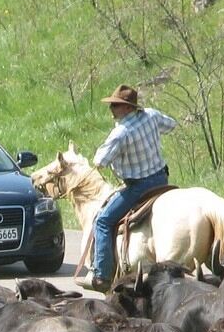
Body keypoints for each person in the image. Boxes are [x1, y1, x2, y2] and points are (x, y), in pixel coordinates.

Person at [76, 84, 177, 293]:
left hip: (138, 187)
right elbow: (171, 125)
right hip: (162, 180)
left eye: (116, 105)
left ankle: (102, 274)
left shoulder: (120, 133)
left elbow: (99, 161)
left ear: (128, 108)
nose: (111, 109)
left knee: (103, 220)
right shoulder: (151, 115)